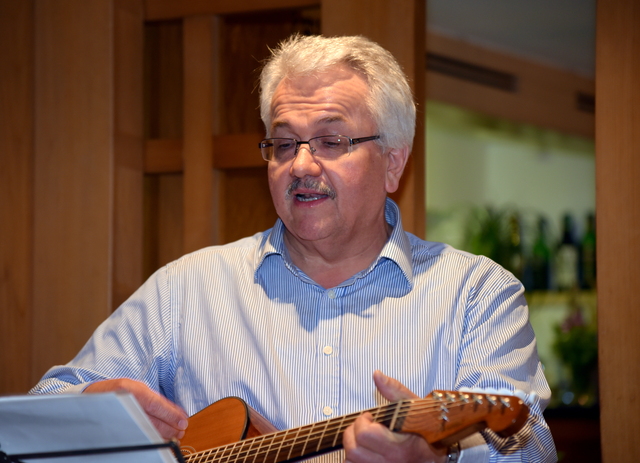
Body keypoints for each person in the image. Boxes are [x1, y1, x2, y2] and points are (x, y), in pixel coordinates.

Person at [30, 34, 556, 462]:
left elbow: (530, 447)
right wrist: (93, 408)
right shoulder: (184, 289)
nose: (300, 165)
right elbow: (33, 415)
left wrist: (438, 461)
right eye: (284, 144)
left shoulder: (477, 295)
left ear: (393, 162)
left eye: (331, 141)